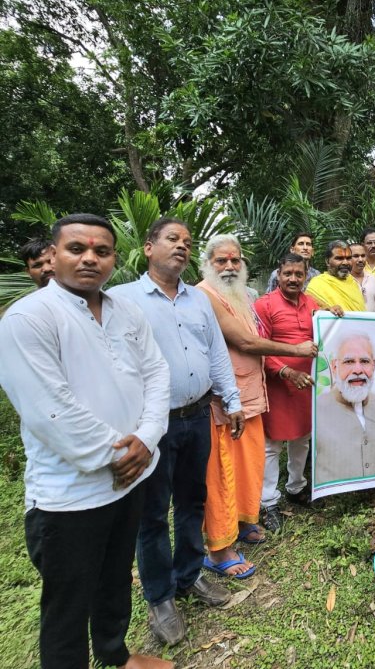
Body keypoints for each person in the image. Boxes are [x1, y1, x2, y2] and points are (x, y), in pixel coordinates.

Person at [0, 214, 173, 669]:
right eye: (77, 249)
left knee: (115, 578)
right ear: (53, 256)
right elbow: (49, 410)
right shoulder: (28, 319)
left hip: (130, 480)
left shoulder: (125, 310)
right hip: (70, 497)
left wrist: (149, 438)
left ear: (115, 257)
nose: (90, 258)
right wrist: (120, 454)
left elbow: (156, 373)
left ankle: (115, 655)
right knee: (68, 605)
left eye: (102, 250)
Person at [111, 218, 243, 646]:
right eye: (172, 239)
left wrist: (232, 399)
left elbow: (216, 352)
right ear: (149, 247)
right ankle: (160, 597)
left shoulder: (198, 300)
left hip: (198, 414)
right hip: (152, 425)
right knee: (152, 512)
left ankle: (189, 575)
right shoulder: (122, 300)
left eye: (187, 242)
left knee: (193, 500)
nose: (182, 247)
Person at [197, 235, 319, 577]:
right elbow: (249, 342)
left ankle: (246, 521)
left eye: (235, 260)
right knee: (229, 467)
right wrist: (291, 359)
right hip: (227, 398)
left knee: (251, 461)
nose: (230, 266)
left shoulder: (245, 297)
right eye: (222, 261)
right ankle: (224, 542)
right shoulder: (205, 294)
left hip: (253, 394)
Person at [255, 254, 343, 532]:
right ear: (278, 275)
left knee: (302, 438)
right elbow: (260, 347)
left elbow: (323, 330)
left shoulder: (312, 304)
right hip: (278, 383)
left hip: (309, 385)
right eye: (288, 274)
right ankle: (268, 502)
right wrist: (287, 372)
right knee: (272, 445)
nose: (293, 279)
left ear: (306, 276)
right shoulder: (264, 304)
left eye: (299, 274)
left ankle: (296, 488)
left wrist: (335, 312)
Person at [315, 333, 375, 483]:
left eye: (365, 361)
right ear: (335, 366)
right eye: (349, 361)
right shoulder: (317, 409)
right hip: (336, 502)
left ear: (374, 365)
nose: (358, 370)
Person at [305, 240, 366, 311]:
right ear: (327, 261)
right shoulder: (317, 284)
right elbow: (310, 312)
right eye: (339, 258)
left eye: (348, 258)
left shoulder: (353, 282)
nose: (345, 263)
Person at [350, 242, 375, 311]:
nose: (360, 260)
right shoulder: (342, 281)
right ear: (348, 258)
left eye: (363, 256)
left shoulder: (372, 278)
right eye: (356, 256)